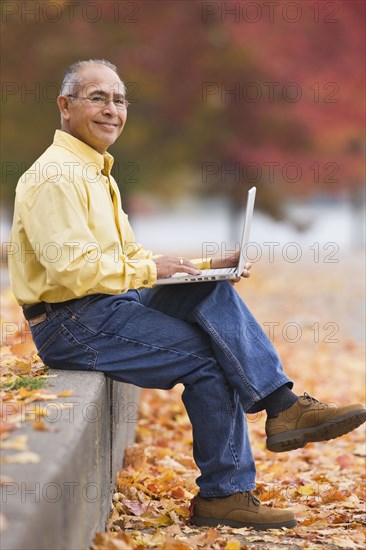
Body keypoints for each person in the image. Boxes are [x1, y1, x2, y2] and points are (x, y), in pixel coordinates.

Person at [8, 59, 366, 530]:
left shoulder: (96, 173)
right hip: (72, 323)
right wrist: (148, 268)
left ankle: (282, 407)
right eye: (97, 97)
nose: (111, 109)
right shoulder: (57, 176)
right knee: (211, 358)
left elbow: (127, 262)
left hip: (104, 305)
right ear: (65, 105)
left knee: (210, 290)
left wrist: (204, 268)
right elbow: (72, 270)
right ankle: (226, 492)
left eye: (119, 99)